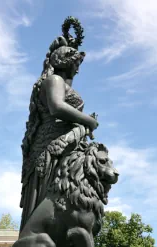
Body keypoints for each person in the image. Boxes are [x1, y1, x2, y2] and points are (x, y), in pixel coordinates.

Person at [19, 35, 98, 232]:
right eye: (76, 63)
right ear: (67, 62)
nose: (78, 68)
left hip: (65, 146)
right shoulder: (54, 80)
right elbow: (56, 107)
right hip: (51, 147)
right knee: (50, 196)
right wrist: (87, 120)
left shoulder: (62, 83)